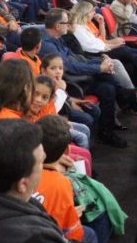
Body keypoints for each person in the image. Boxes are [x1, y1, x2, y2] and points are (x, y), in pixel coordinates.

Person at [39, 8, 128, 147]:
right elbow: (69, 67)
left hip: (78, 76)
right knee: (107, 86)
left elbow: (77, 59)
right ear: (57, 26)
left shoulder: (58, 38)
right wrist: (99, 67)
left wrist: (100, 63)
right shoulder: (48, 45)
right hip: (70, 81)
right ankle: (123, 105)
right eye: (66, 23)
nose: (68, 25)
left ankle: (108, 128)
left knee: (108, 83)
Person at [34, 115, 97, 243]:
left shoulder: (22, 172)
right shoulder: (61, 183)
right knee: (92, 231)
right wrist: (73, 213)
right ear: (67, 151)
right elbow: (72, 233)